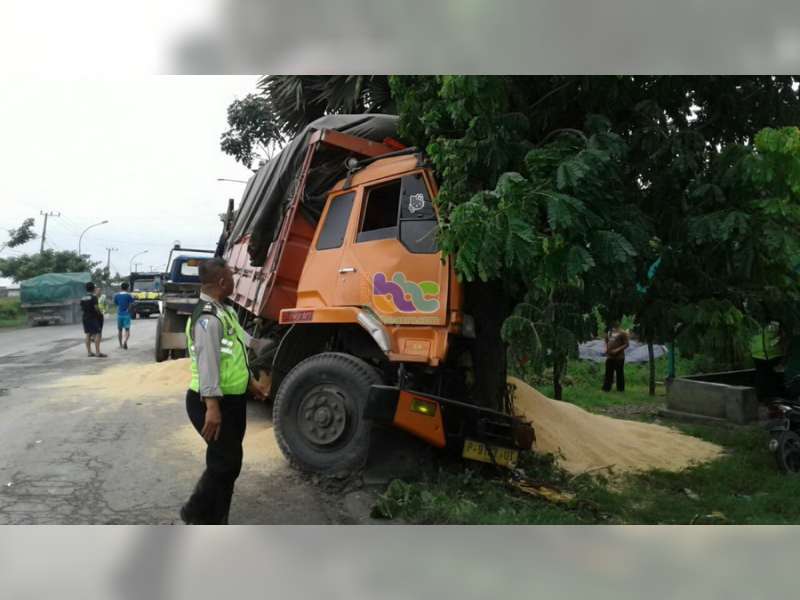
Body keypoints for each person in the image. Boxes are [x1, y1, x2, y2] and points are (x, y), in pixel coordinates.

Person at [180, 257, 268, 525]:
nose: (234, 281)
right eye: (232, 277)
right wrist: (212, 408)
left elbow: (242, 349)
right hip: (209, 401)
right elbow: (208, 365)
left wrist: (251, 382)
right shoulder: (207, 319)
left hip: (232, 400)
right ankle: (199, 513)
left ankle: (211, 516)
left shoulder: (224, 312)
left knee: (228, 462)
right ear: (221, 282)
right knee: (225, 463)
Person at [80, 282, 107, 358]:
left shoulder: (83, 298)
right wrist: (100, 313)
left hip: (85, 317)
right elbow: (96, 307)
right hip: (93, 318)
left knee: (88, 334)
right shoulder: (93, 297)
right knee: (98, 333)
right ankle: (98, 353)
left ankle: (89, 352)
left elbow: (82, 308)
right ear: (93, 288)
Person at [602, 321, 629, 392]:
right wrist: (605, 348)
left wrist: (617, 350)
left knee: (619, 373)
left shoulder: (623, 333)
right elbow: (606, 341)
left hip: (619, 357)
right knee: (608, 373)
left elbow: (626, 344)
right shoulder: (609, 332)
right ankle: (606, 389)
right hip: (610, 356)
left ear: (619, 323)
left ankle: (620, 389)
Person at [114, 282, 135, 349]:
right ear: (127, 288)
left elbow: (116, 303)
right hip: (127, 315)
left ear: (121, 288)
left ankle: (120, 345)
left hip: (119, 314)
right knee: (127, 330)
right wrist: (128, 310)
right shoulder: (129, 295)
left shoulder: (116, 295)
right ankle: (125, 341)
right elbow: (131, 304)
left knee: (120, 330)